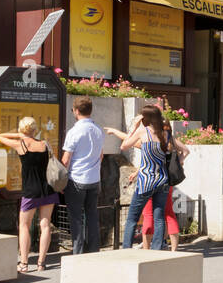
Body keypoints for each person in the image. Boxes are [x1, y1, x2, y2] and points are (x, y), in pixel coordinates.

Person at [117, 104, 190, 250]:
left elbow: (124, 146)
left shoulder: (143, 132)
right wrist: (180, 161)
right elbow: (184, 150)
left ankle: (126, 248)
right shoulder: (166, 134)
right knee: (159, 217)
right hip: (162, 180)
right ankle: (157, 249)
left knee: (132, 217)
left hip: (146, 181)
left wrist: (134, 127)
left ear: (146, 118)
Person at [0, 117, 58, 271]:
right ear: (35, 129)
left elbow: (0, 137)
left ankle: (24, 263)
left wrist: (20, 135)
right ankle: (41, 263)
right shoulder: (45, 144)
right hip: (48, 189)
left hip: (31, 191)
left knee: (24, 225)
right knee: (45, 225)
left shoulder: (20, 144)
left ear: (21, 129)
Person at [62, 96, 106, 254]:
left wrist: (60, 180)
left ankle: (78, 252)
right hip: (94, 179)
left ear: (76, 111)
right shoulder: (98, 130)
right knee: (92, 215)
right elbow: (101, 155)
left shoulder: (74, 132)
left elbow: (66, 159)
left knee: (76, 218)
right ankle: (94, 249)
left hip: (76, 180)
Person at [141, 186, 182, 251]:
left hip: (149, 184)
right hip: (166, 183)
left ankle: (146, 249)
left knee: (148, 216)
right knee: (169, 215)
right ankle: (174, 250)